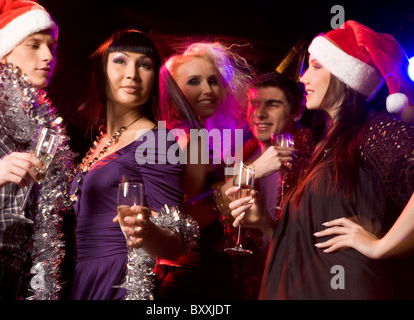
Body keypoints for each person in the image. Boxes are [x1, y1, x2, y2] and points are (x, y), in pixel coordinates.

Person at [227, 20, 414, 299]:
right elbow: (308, 242)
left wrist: (382, 246)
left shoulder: (375, 132)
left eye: (316, 66)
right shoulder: (322, 146)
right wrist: (265, 222)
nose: (303, 78)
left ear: (344, 76)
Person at [68, 29, 197, 300]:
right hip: (85, 275)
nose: (132, 74)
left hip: (121, 281)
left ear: (155, 79)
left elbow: (175, 244)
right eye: (121, 61)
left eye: (145, 65)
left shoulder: (157, 142)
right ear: (101, 70)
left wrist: (146, 230)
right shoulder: (102, 139)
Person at [0, 0, 74, 300]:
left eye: (51, 45)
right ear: (5, 51)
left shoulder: (41, 123)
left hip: (12, 283)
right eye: (34, 45)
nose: (48, 56)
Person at [155, 41, 251, 299]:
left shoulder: (179, 133)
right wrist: (228, 197)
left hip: (187, 271)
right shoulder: (191, 137)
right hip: (192, 274)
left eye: (213, 81)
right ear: (174, 91)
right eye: (195, 82)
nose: (207, 90)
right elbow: (184, 218)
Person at [217, 71, 315, 299]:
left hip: (298, 285)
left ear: (297, 111)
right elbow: (219, 207)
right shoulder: (239, 159)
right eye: (254, 104)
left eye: (272, 105)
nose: (259, 114)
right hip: (246, 286)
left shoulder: (313, 162)